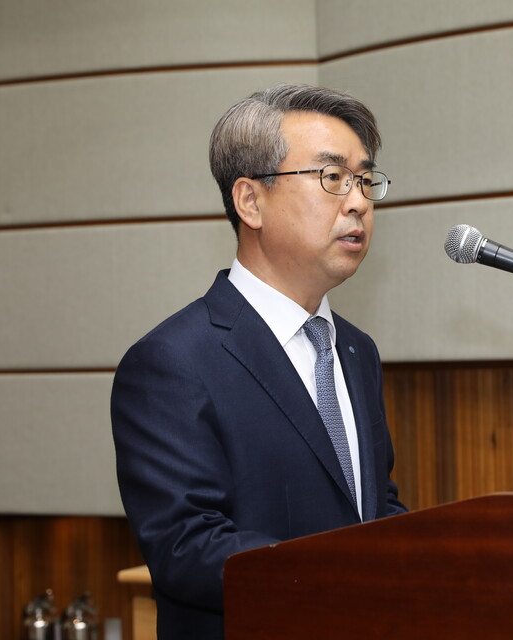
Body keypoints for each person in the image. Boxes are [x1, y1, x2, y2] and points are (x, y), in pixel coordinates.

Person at [110, 83, 408, 640]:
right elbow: (188, 548)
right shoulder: (172, 361)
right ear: (250, 200)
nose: (359, 201)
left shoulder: (354, 349)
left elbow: (372, 509)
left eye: (365, 179)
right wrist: (351, 575)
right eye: (332, 177)